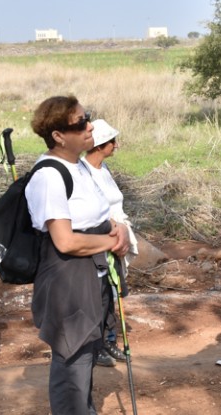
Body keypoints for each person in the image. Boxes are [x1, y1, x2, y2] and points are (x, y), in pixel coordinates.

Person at [26, 96, 132, 415]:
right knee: (70, 362)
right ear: (58, 135)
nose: (90, 126)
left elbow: (100, 216)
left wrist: (115, 231)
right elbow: (66, 241)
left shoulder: (82, 168)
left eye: (86, 119)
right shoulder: (50, 175)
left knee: (87, 355)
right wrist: (110, 241)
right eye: (80, 122)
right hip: (67, 275)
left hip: (93, 271)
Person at [82, 119, 139, 368]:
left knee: (112, 292)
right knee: (98, 296)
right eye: (111, 142)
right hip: (100, 240)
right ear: (99, 145)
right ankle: (96, 347)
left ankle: (110, 340)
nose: (115, 145)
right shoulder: (83, 172)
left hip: (116, 240)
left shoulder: (103, 169)